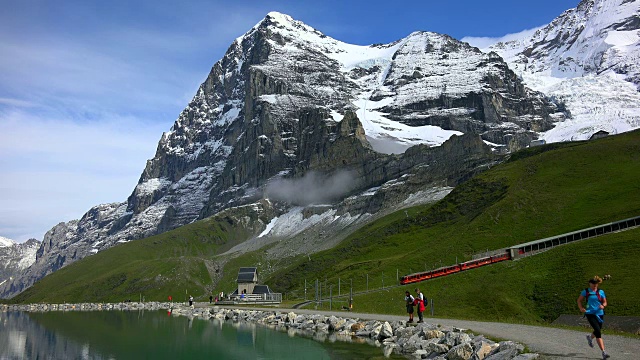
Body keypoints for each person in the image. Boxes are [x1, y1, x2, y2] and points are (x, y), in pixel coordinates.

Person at [577, 275, 609, 359]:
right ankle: (603, 352)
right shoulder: (586, 291)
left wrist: (603, 305)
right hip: (590, 313)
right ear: (589, 284)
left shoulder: (601, 292)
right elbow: (579, 300)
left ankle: (590, 337)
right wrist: (581, 308)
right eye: (593, 283)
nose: (595, 285)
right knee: (598, 331)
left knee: (598, 329)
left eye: (596, 284)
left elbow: (605, 302)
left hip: (600, 313)